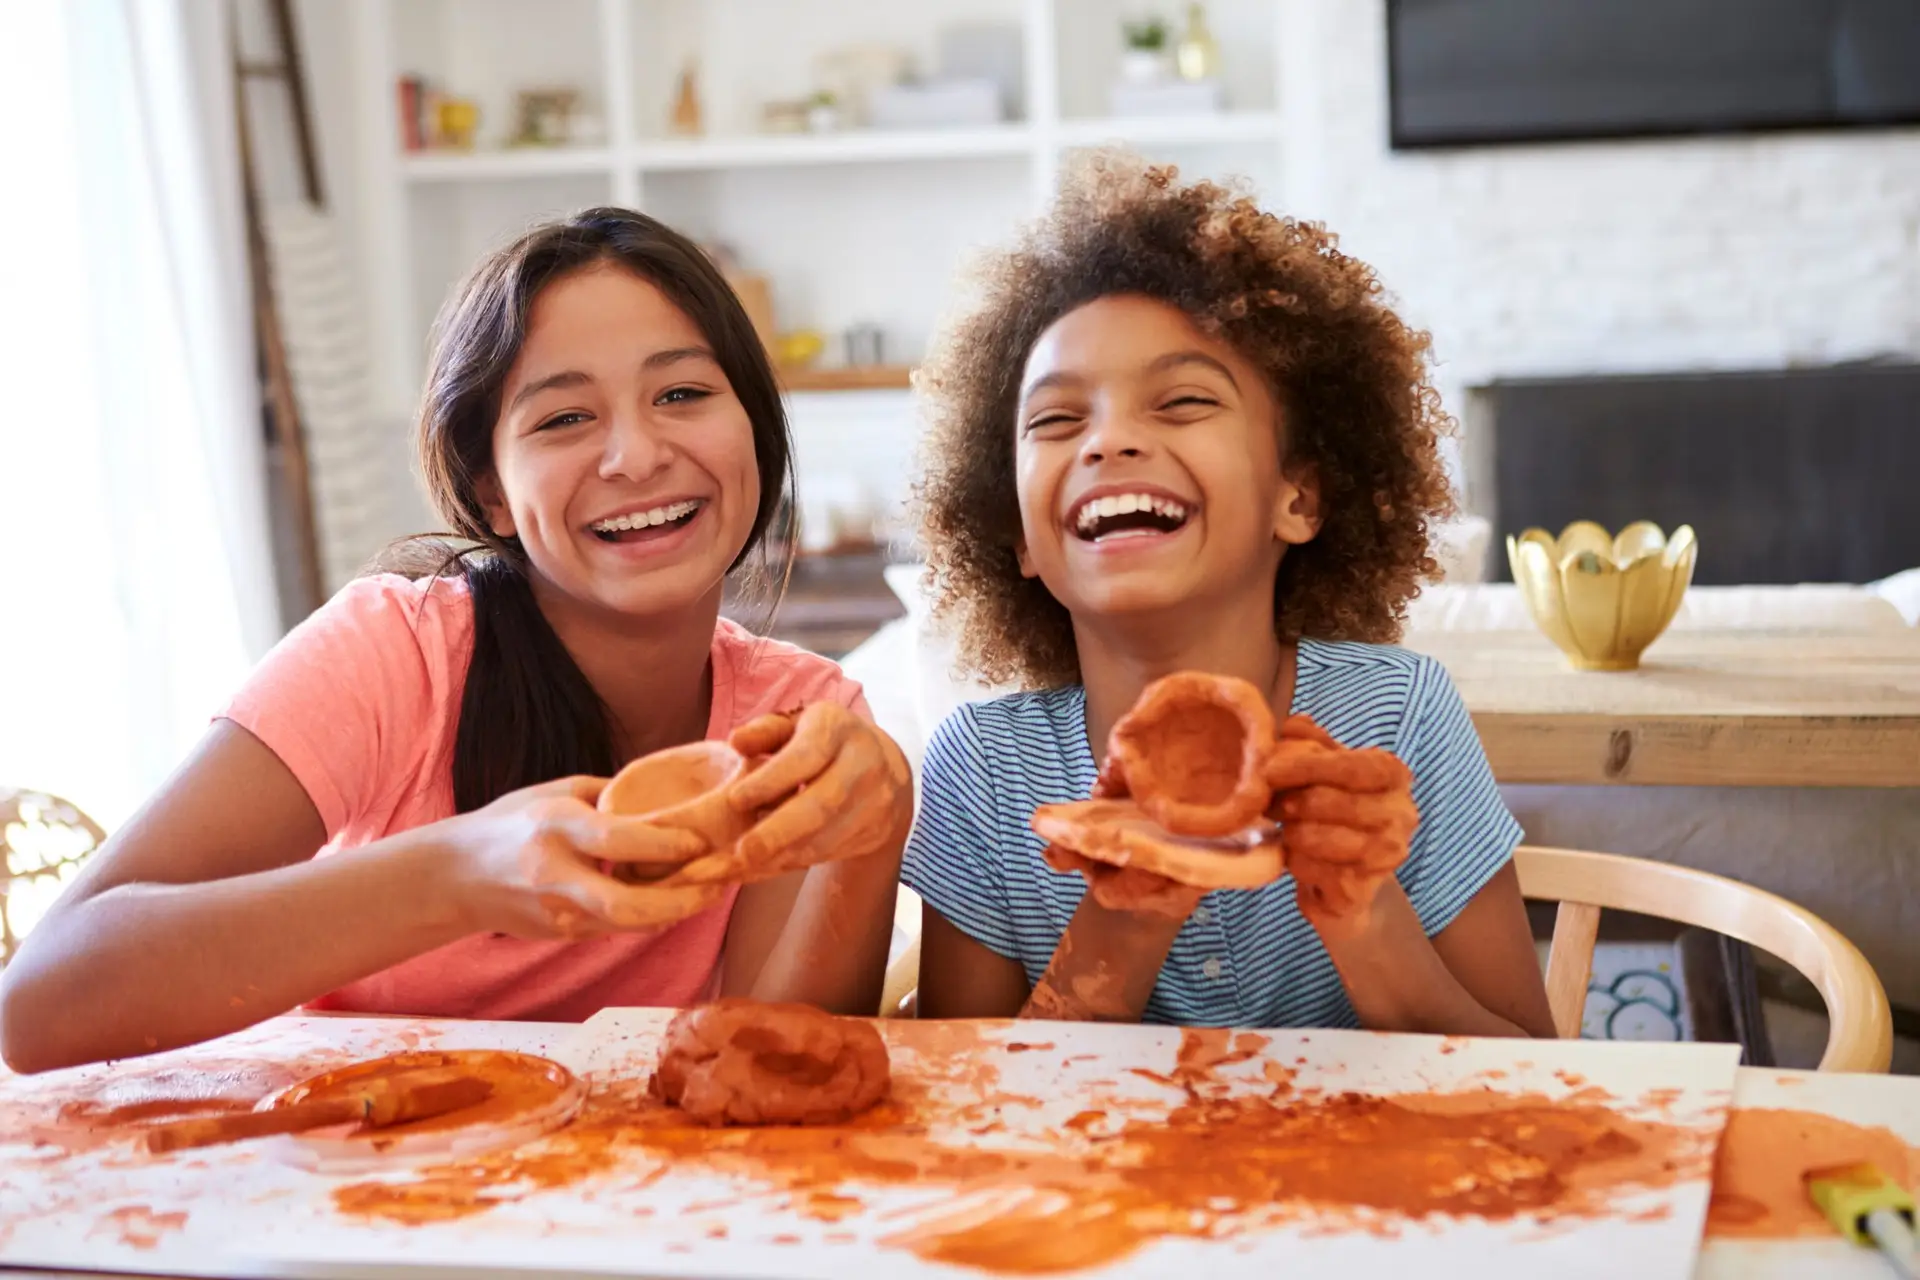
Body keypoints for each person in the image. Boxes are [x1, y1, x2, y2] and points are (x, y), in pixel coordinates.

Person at [0, 208, 910, 1073]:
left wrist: (873, 829)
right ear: (492, 497)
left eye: (681, 393)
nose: (634, 455)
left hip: (620, 1211)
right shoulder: (393, 655)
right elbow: (41, 1006)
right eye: (564, 418)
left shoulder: (801, 721)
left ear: (754, 430)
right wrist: (461, 872)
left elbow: (771, 1073)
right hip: (351, 1194)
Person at [904, 152, 1555, 1036]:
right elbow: (964, 1126)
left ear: (1299, 500)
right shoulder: (983, 772)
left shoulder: (1399, 720)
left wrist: (1363, 913)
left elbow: (1535, 1076)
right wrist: (1126, 912)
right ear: (1018, 538)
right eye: (1057, 420)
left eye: (1180, 402)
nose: (1108, 442)